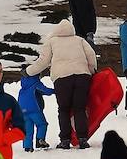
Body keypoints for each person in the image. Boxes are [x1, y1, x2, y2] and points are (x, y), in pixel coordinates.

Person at [24, 20, 98, 150]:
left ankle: (65, 140)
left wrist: (28, 71)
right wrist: (91, 71)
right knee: (79, 108)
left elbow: (43, 61)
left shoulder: (52, 42)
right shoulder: (79, 40)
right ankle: (82, 139)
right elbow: (91, 56)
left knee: (63, 109)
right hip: (82, 77)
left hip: (62, 79)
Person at [16, 72, 55, 152]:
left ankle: (27, 146)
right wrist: (55, 91)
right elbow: (45, 91)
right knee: (42, 124)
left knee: (28, 129)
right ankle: (40, 141)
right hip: (34, 110)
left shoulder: (23, 87)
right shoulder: (35, 84)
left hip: (23, 111)